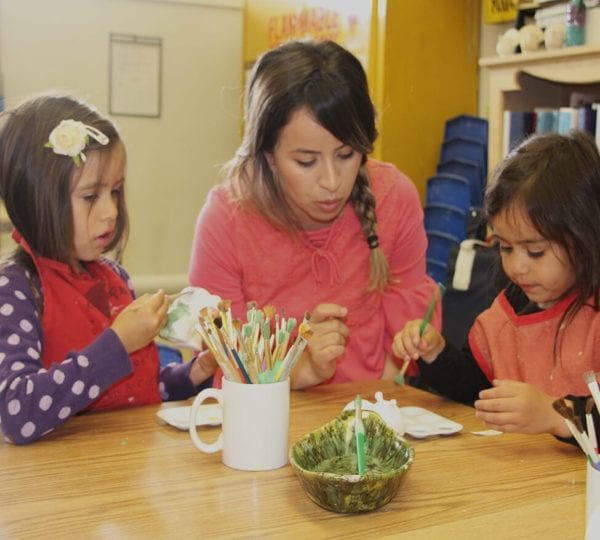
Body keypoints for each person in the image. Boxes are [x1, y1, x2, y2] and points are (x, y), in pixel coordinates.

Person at [188, 39, 439, 389]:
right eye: (306, 162)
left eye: (347, 154)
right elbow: (229, 365)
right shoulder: (226, 220)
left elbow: (405, 342)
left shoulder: (394, 197)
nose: (332, 182)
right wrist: (302, 369)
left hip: (366, 416)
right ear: (268, 154)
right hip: (264, 423)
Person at [0, 93, 215, 444]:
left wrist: (192, 374)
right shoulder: (17, 287)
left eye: (115, 192)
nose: (111, 212)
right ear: (36, 199)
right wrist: (117, 343)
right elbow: (16, 412)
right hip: (59, 484)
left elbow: (136, 391)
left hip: (123, 469)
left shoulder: (115, 278)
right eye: (90, 196)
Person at [393, 130, 600, 441]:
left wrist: (555, 415)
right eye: (505, 247)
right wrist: (436, 354)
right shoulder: (511, 307)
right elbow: (477, 389)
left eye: (535, 251)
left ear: (585, 236)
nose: (516, 267)